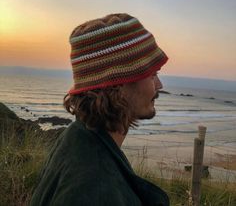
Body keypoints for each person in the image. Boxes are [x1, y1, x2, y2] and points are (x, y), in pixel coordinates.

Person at [30, 13, 169, 206]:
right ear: (118, 85)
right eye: (152, 74)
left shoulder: (79, 135)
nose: (160, 85)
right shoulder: (97, 188)